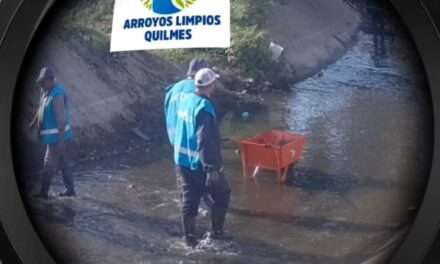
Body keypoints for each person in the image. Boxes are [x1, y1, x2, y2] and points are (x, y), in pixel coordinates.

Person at [173, 68, 231, 248]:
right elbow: (204, 140)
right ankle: (216, 235)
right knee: (222, 195)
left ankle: (189, 241)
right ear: (211, 85)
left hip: (181, 160)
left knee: (190, 199)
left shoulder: (187, 99)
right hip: (199, 162)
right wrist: (211, 169)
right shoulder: (204, 108)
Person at [30, 67, 75, 199]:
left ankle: (43, 193)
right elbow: (41, 109)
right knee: (63, 163)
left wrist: (60, 141)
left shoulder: (57, 94)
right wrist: (33, 122)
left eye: (43, 82)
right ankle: (70, 190)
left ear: (50, 80)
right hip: (54, 138)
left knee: (48, 164)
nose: (41, 84)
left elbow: (61, 120)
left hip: (58, 138)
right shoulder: (46, 92)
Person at [164, 58, 209, 145]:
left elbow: (167, 113)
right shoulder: (198, 91)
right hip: (191, 143)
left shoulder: (172, 90)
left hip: (174, 140)